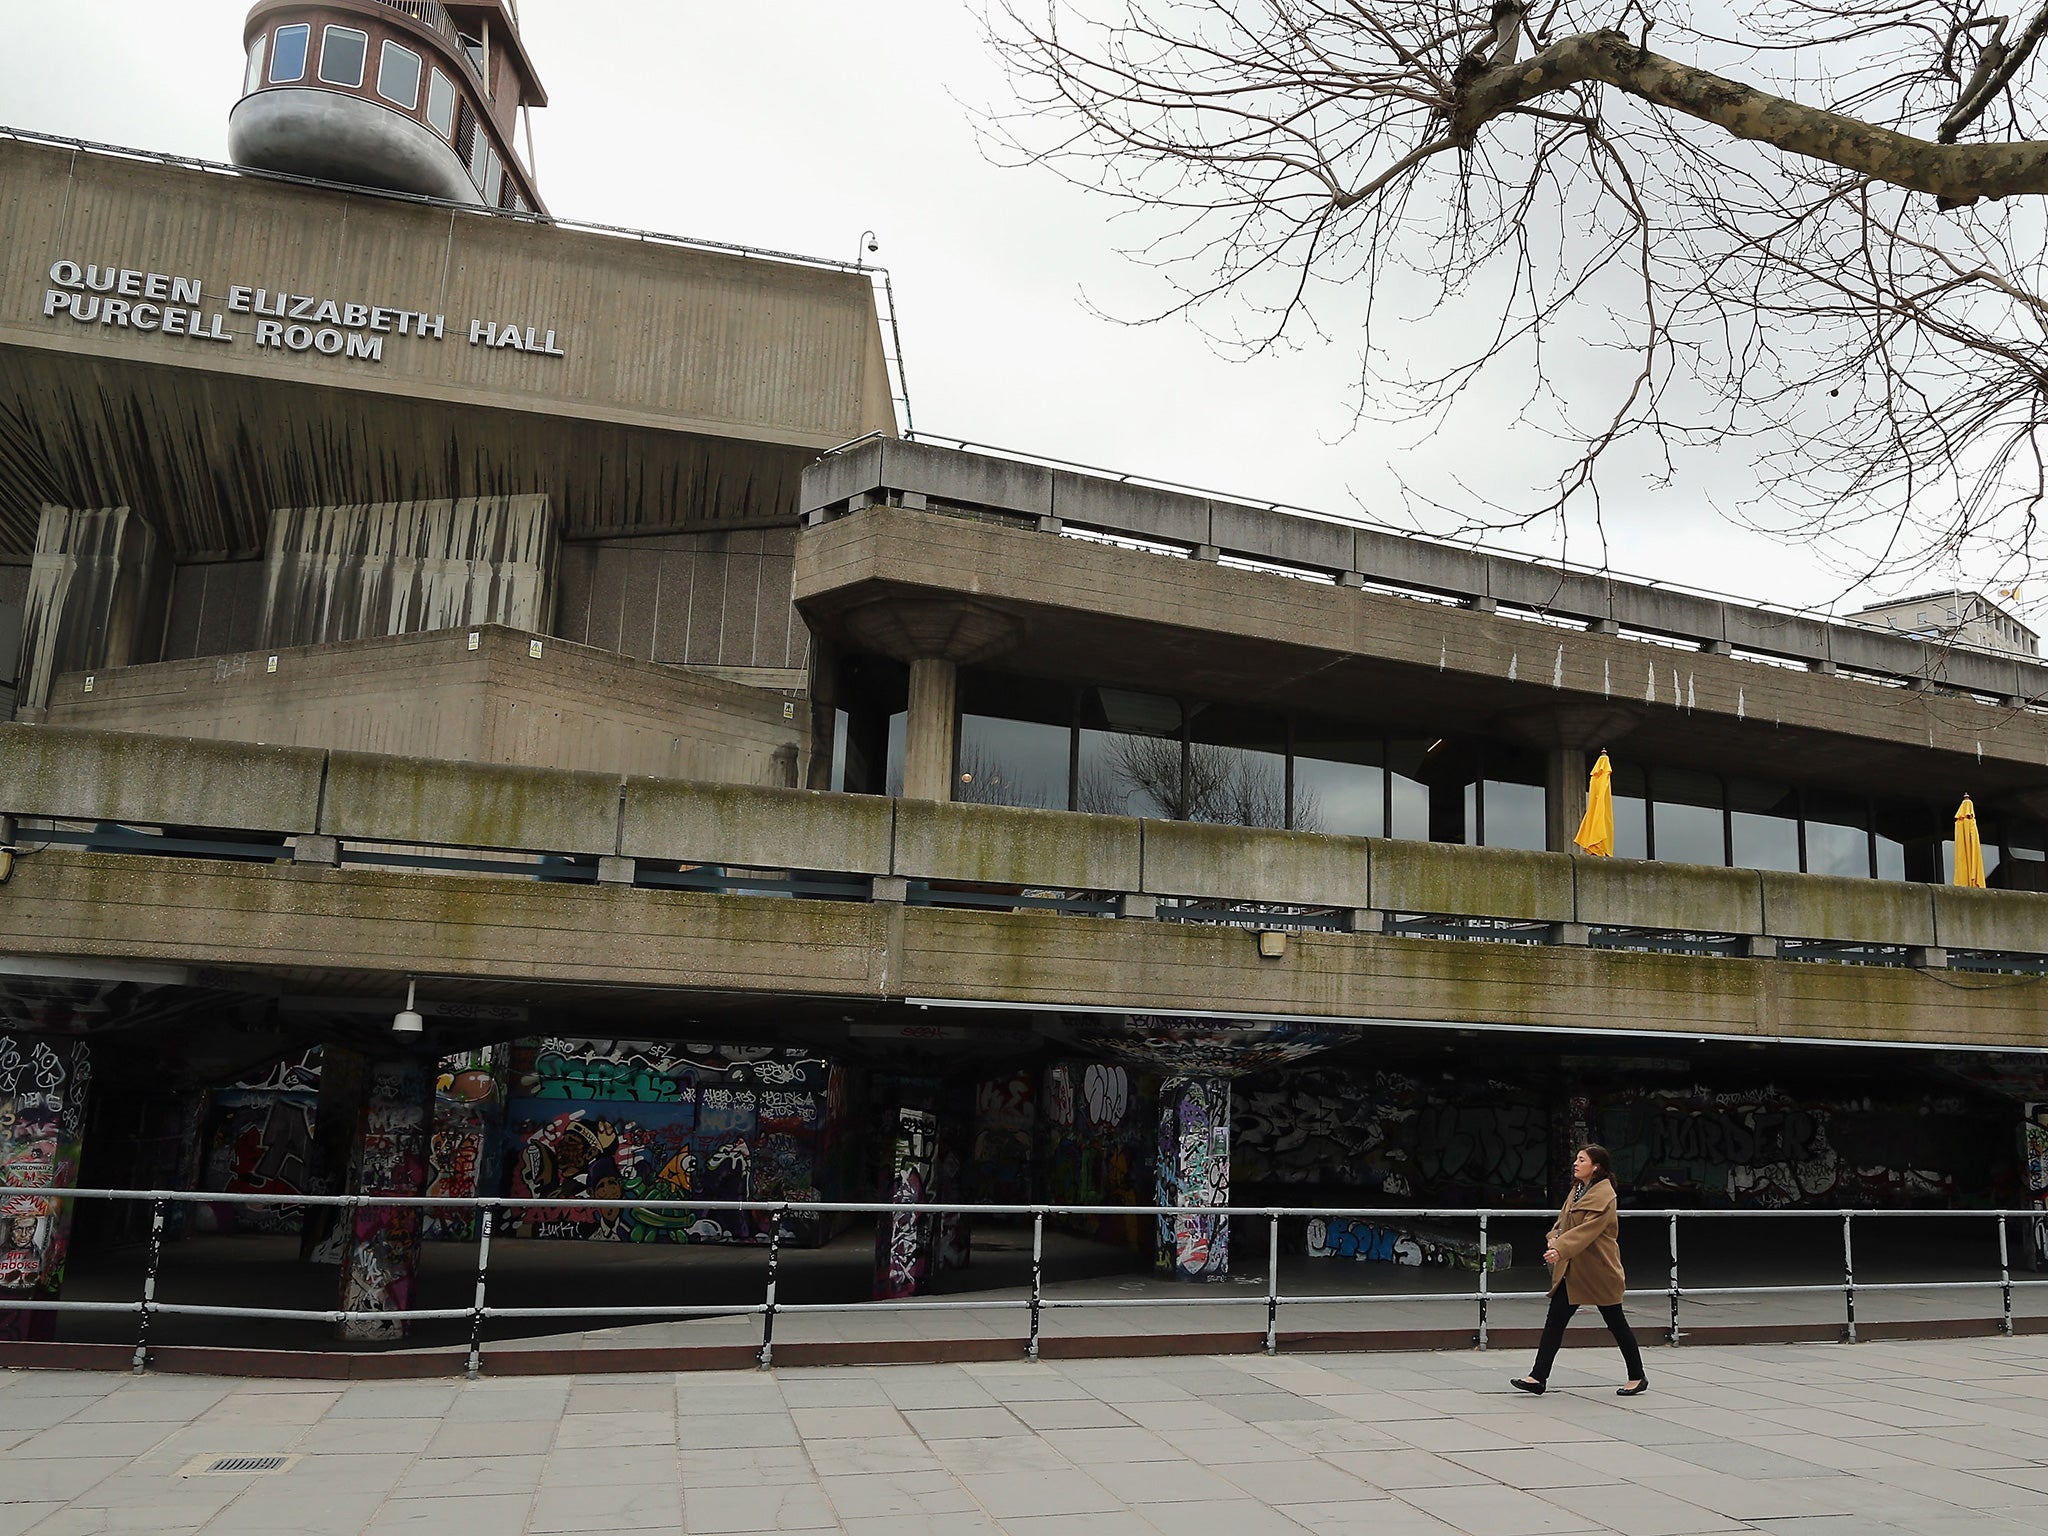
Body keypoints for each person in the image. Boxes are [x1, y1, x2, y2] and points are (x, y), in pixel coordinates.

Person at [1511, 1143, 1647, 1397]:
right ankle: (1537, 1377)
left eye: (1581, 1160)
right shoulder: (1577, 1190)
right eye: (1576, 1159)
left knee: (1616, 1321)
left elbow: (1587, 1231)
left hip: (1599, 1270)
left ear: (1596, 1167)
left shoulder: (1605, 1196)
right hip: (1573, 1269)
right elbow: (1563, 1222)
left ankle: (1637, 1376)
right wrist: (1553, 1237)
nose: (1575, 1163)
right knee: (1555, 1321)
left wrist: (1561, 1248)